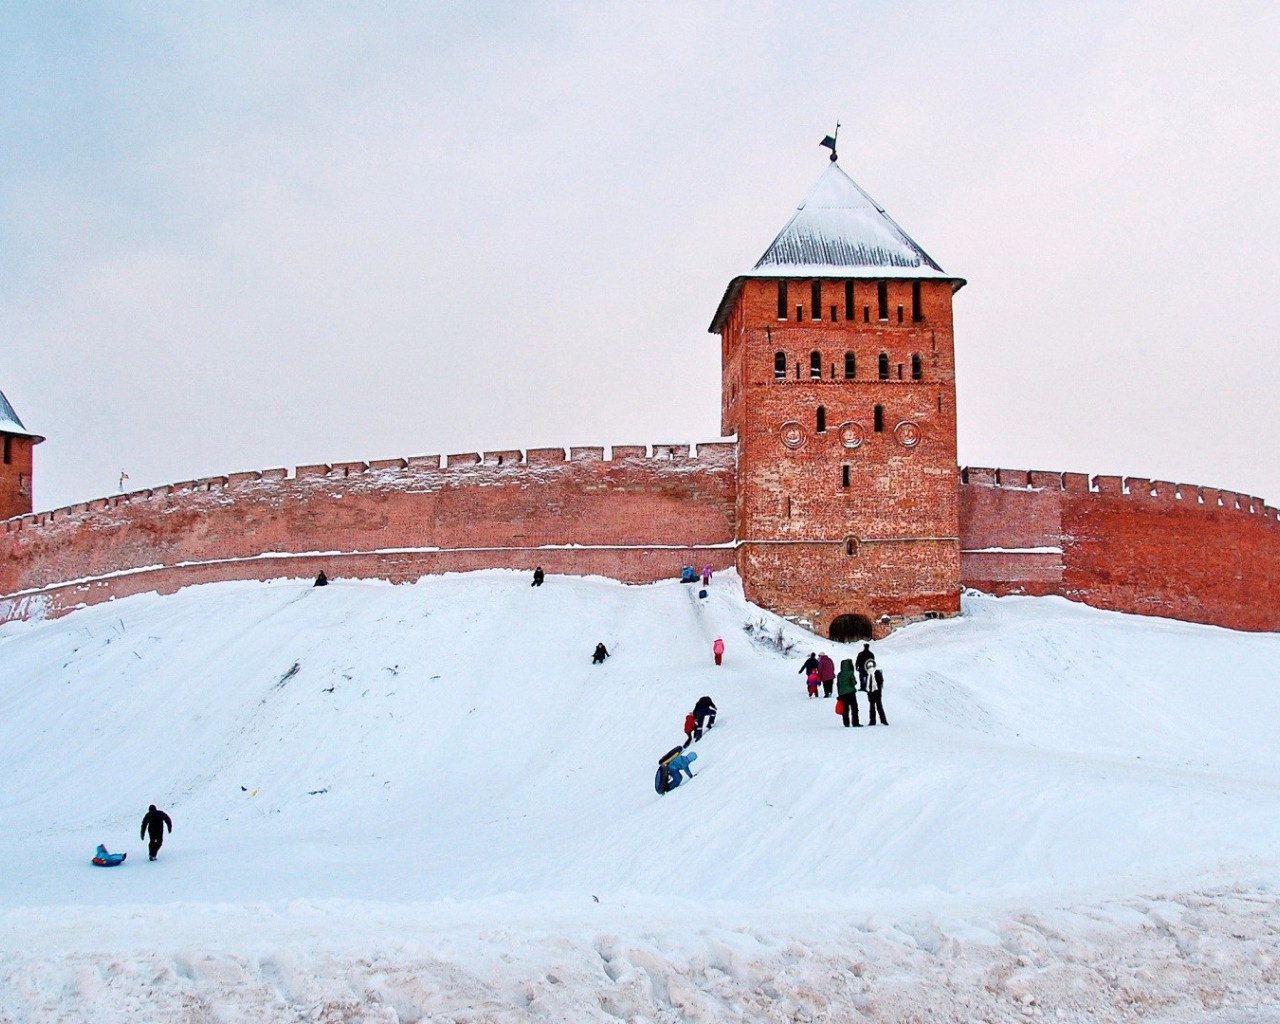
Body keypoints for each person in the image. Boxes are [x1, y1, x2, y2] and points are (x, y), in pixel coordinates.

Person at [836, 657, 861, 727]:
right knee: (854, 708)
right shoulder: (850, 673)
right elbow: (854, 683)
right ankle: (855, 722)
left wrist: (840, 693)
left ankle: (846, 723)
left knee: (845, 709)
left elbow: (838, 685)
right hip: (851, 693)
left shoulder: (839, 675)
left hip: (842, 693)